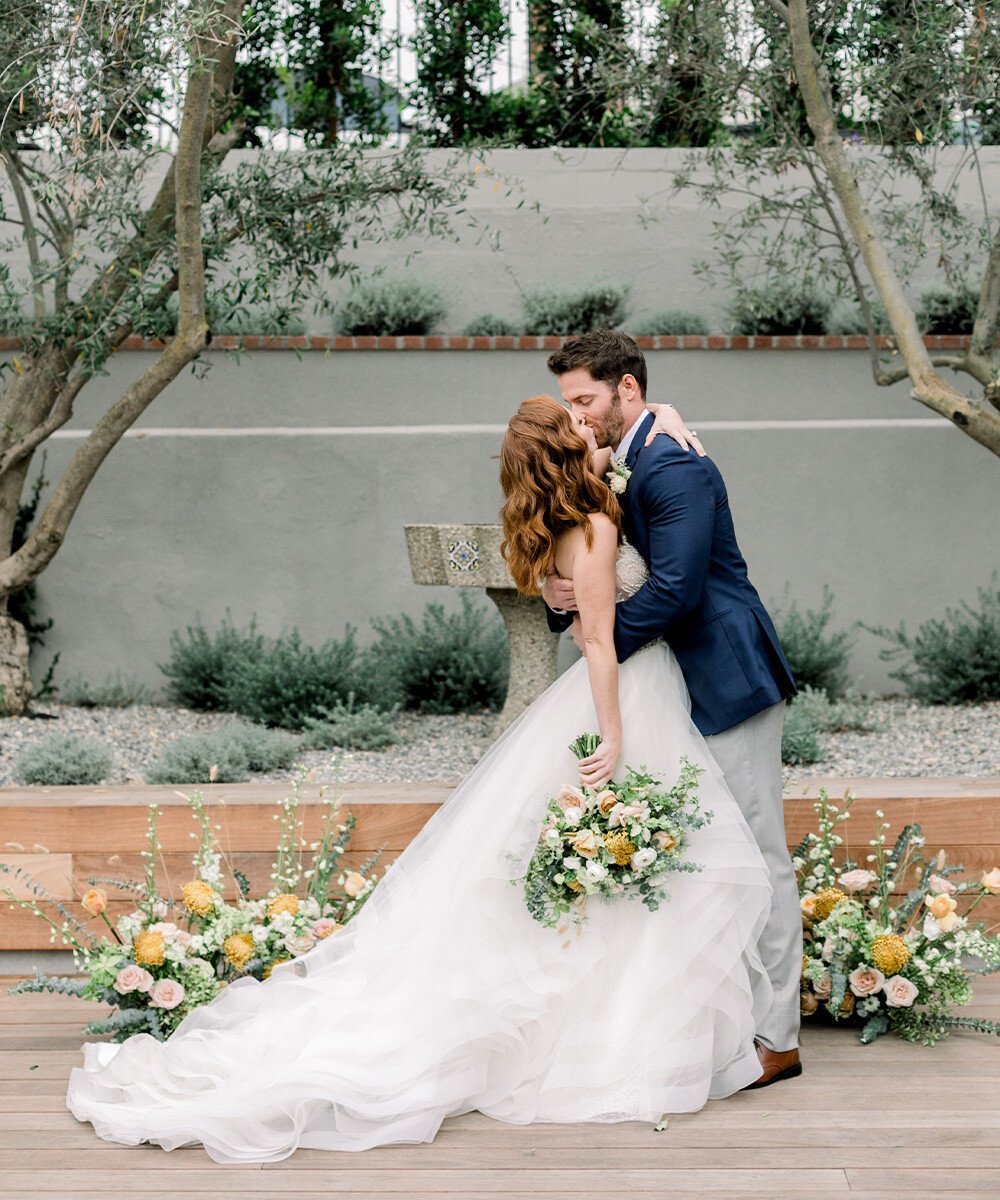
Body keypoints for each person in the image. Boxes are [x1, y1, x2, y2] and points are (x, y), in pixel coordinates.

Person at [66, 395, 776, 1164]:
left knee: (618, 871)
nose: (588, 425)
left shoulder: (568, 516)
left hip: (625, 689)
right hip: (627, 698)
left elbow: (608, 466)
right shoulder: (598, 527)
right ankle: (624, 1033)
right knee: (648, 863)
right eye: (574, 423)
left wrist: (664, 411)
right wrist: (612, 737)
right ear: (566, 453)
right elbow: (601, 645)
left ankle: (626, 1019)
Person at [541, 330, 801, 1087]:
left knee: (758, 856)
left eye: (586, 400)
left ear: (627, 389)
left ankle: (777, 1039)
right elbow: (602, 571)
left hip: (726, 678)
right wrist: (569, 600)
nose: (579, 419)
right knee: (700, 857)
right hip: (671, 687)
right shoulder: (624, 457)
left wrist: (597, 638)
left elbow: (678, 590)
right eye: (569, 405)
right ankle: (717, 1021)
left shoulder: (674, 464)